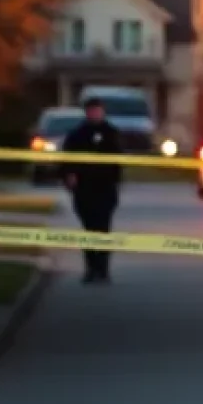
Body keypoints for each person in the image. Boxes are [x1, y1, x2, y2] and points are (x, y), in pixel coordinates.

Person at [61, 96, 125, 283]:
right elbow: (67, 159)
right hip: (84, 189)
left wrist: (115, 181)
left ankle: (103, 270)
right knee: (89, 230)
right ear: (86, 112)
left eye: (97, 110)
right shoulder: (77, 134)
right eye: (91, 110)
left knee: (103, 229)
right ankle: (90, 269)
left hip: (105, 189)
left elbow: (118, 161)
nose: (94, 113)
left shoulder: (111, 134)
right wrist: (69, 176)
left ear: (103, 112)